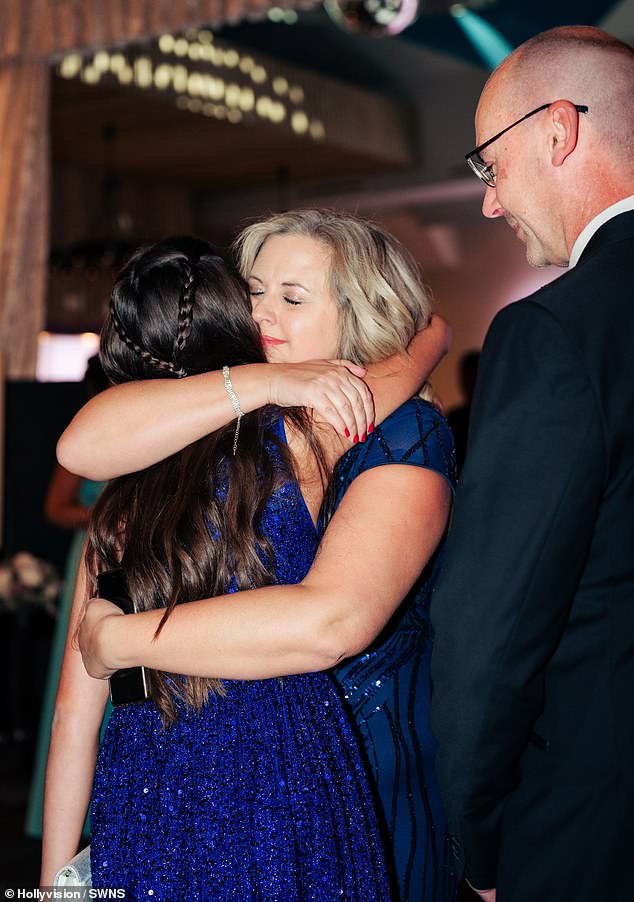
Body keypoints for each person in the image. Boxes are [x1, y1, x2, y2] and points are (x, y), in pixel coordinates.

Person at [58, 210, 458, 901]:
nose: (262, 311)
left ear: (356, 315)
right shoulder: (184, 442)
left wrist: (120, 638)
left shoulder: (337, 430)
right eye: (253, 290)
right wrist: (276, 381)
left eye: (292, 297)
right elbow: (79, 449)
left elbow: (331, 621)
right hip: (184, 766)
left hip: (326, 763)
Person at [429, 26, 634, 902]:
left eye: (490, 165)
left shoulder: (552, 332)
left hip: (595, 826)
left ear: (557, 132)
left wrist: (477, 837)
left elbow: (493, 627)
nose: (488, 203)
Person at [25, 355, 109, 839]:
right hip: (96, 551)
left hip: (141, 557)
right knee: (76, 698)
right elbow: (55, 508)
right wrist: (108, 516)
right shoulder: (89, 435)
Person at [446, 350, 479, 474]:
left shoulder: (457, 417)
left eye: (472, 377)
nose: (467, 383)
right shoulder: (456, 417)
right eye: (465, 378)